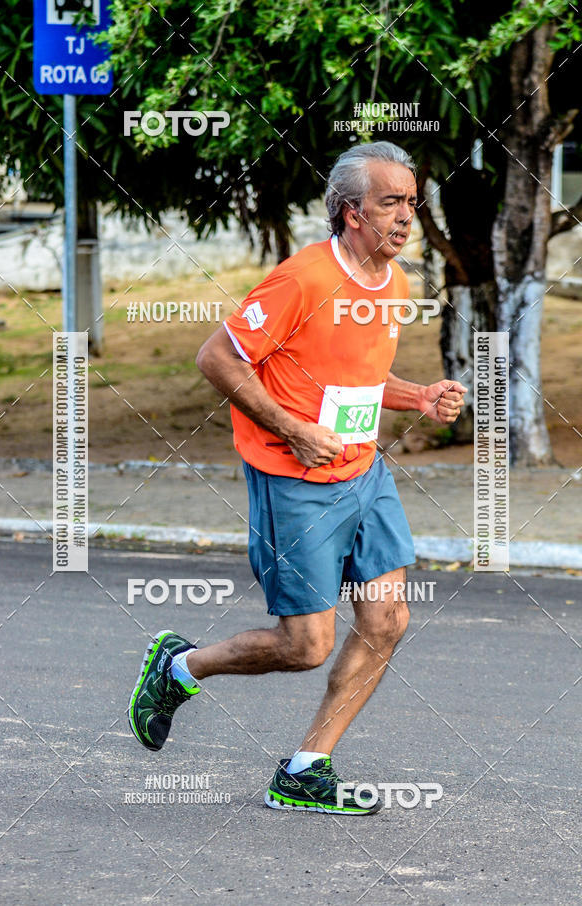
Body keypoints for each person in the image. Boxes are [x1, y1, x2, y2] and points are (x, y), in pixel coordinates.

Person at [128, 141, 466, 815]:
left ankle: (306, 769)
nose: (407, 215)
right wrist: (293, 430)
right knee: (304, 645)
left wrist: (418, 396)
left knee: (387, 617)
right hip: (296, 479)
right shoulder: (303, 280)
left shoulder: (392, 283)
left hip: (365, 473)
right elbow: (217, 357)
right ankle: (177, 668)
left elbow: (356, 379)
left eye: (412, 200)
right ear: (350, 212)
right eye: (391, 202)